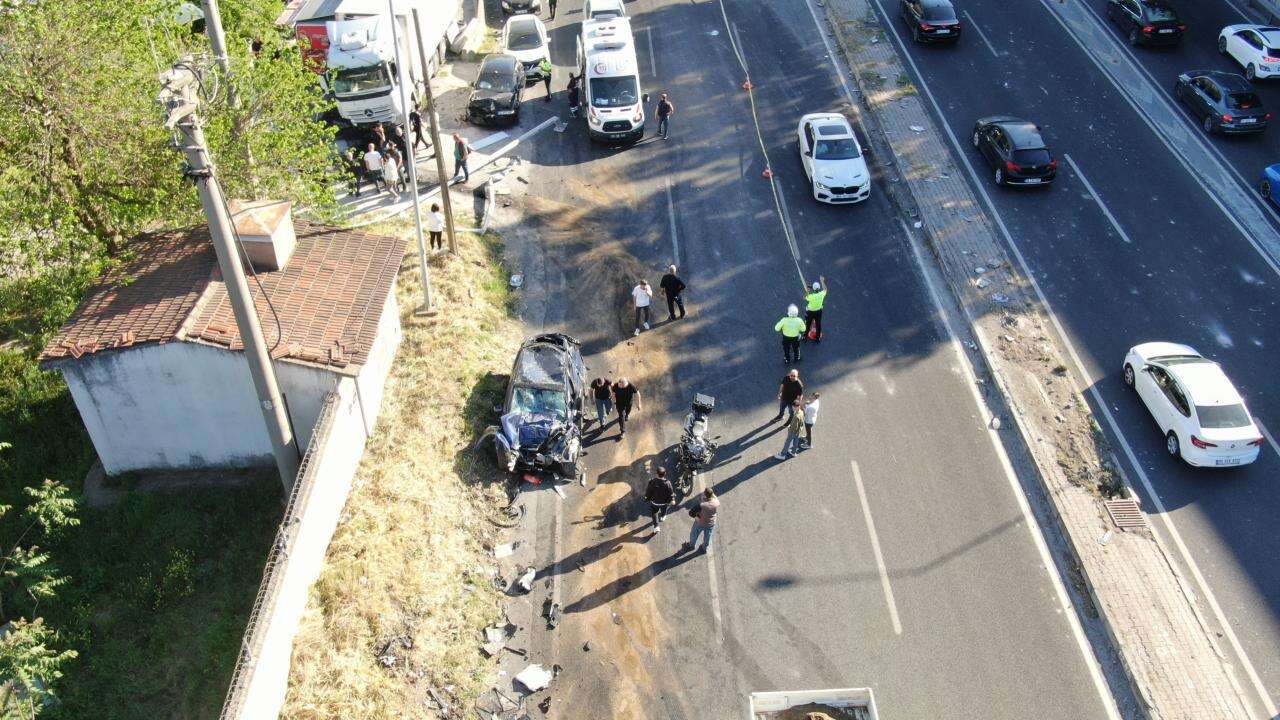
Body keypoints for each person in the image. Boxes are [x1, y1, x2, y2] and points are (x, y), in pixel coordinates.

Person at [683, 488, 719, 553]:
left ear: (705, 495)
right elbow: (713, 496)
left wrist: (697, 518)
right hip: (711, 522)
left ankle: (691, 545)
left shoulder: (702, 505)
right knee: (707, 536)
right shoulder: (716, 502)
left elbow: (691, 513)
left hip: (700, 523)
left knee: (694, 534)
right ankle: (704, 548)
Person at [644, 468, 676, 533]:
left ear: (657, 474)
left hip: (654, 502)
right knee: (664, 510)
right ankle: (663, 516)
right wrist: (672, 499)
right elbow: (671, 492)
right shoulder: (667, 483)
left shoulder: (652, 481)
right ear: (665, 474)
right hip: (664, 503)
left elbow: (648, 491)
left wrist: (646, 497)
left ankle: (656, 527)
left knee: (654, 512)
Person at [805, 276, 828, 342]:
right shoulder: (822, 294)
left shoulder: (811, 296)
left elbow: (805, 297)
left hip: (810, 312)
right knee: (818, 324)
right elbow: (825, 289)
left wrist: (807, 291)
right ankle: (817, 338)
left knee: (808, 324)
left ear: (813, 289)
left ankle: (805, 337)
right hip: (819, 311)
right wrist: (822, 281)